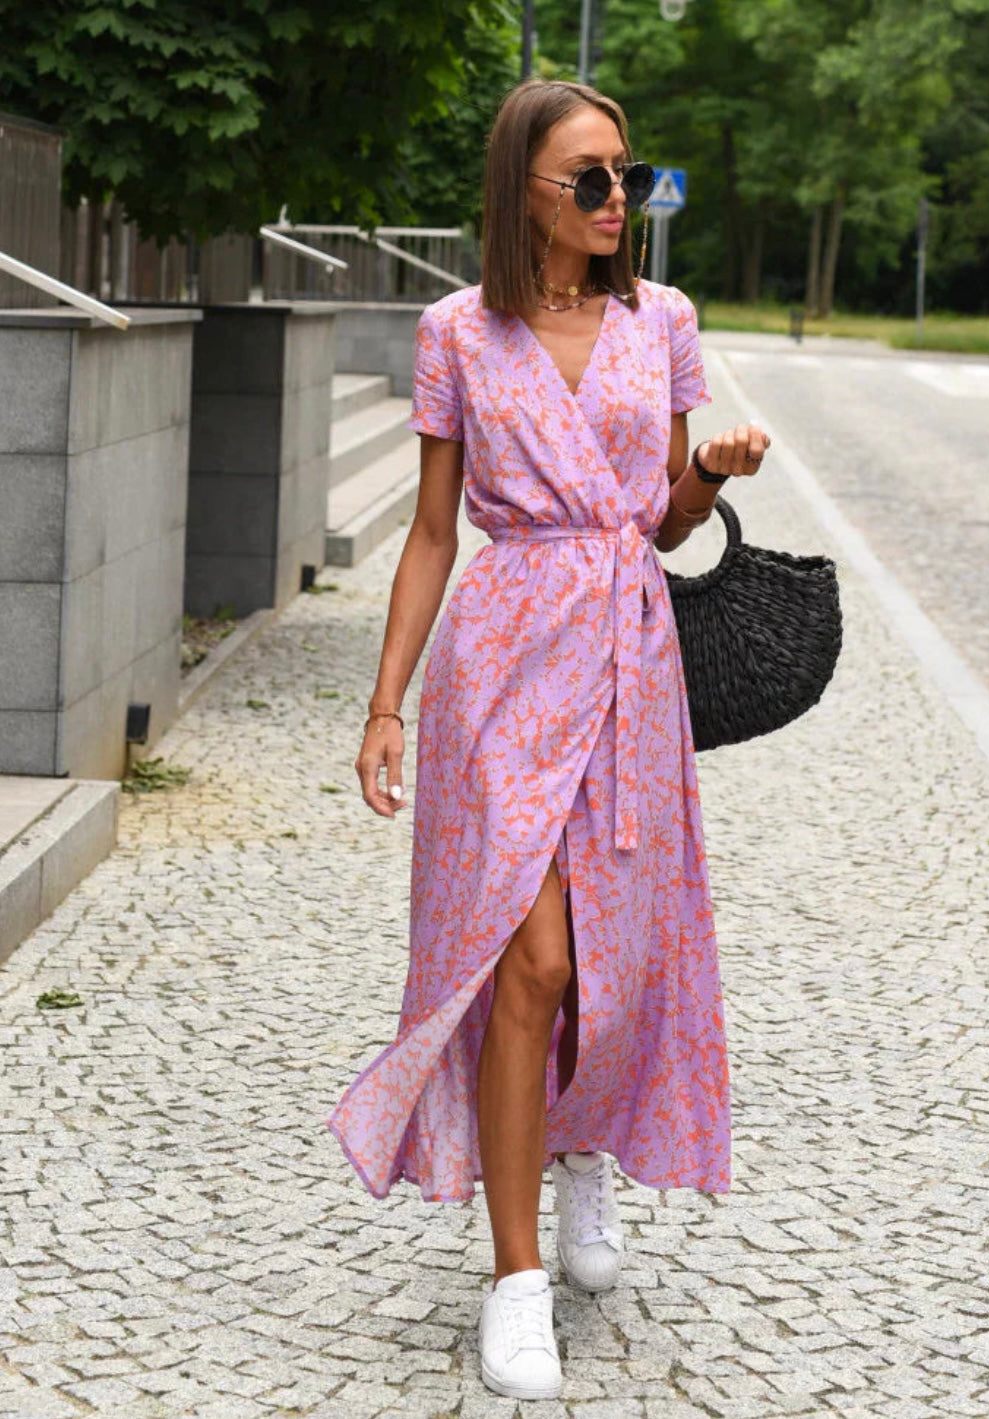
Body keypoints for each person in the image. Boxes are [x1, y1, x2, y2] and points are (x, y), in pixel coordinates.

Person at [329, 77, 770, 1401]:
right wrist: (385, 704)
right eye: (588, 177)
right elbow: (430, 533)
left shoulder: (662, 321)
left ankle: (581, 1152)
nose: (615, 197)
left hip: (629, 664)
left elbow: (663, 521)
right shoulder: (456, 333)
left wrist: (709, 475)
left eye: (625, 173)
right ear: (523, 189)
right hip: (503, 669)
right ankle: (513, 1281)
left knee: (613, 956)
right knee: (530, 958)